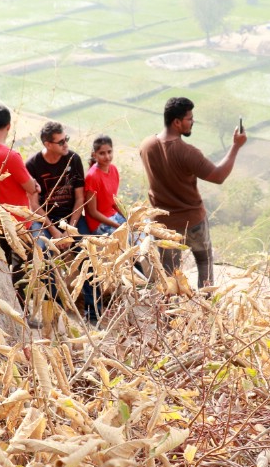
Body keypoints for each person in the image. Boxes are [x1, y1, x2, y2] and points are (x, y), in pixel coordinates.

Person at [139, 96, 247, 288]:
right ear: (177, 122)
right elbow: (218, 175)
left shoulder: (146, 145)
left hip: (163, 225)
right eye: (189, 119)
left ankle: (170, 316)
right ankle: (206, 308)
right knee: (204, 262)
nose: (193, 122)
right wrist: (236, 146)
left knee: (169, 275)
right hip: (193, 221)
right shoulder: (187, 152)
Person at [0, 105, 39, 309]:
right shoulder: (11, 156)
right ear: (9, 126)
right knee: (21, 271)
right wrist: (35, 185)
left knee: (6, 267)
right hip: (18, 224)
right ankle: (22, 313)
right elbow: (30, 187)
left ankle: (10, 309)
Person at [78, 135, 124, 324]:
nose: (106, 156)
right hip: (99, 223)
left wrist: (128, 217)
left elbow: (114, 201)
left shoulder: (113, 170)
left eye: (109, 152)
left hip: (112, 216)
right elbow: (93, 212)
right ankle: (95, 311)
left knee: (141, 233)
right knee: (125, 245)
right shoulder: (92, 177)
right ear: (94, 155)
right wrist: (118, 225)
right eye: (102, 153)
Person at [25, 121, 85, 245]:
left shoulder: (74, 160)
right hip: (44, 219)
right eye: (61, 142)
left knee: (87, 250)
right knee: (41, 252)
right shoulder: (32, 165)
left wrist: (70, 230)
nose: (66, 145)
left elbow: (80, 199)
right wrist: (53, 231)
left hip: (71, 217)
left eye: (66, 139)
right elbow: (34, 205)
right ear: (48, 144)